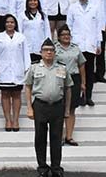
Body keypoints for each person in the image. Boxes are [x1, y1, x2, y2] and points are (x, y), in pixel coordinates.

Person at [25, 38, 72, 177]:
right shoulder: (34, 67)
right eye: (46, 50)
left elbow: (68, 88)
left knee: (56, 137)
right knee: (40, 137)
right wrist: (29, 107)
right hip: (40, 105)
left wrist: (67, 109)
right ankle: (42, 167)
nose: (49, 52)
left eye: (51, 50)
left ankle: (56, 167)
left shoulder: (61, 68)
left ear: (55, 52)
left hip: (57, 106)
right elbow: (27, 87)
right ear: (41, 52)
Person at [0, 15, 31, 132]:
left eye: (12, 22)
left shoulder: (21, 37)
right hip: (3, 70)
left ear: (15, 24)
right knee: (5, 94)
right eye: (7, 22)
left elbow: (25, 54)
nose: (9, 24)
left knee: (17, 95)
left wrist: (27, 69)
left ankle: (16, 119)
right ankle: (8, 120)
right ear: (4, 24)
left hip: (18, 69)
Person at [65, 0, 103, 106]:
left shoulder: (95, 7)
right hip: (77, 44)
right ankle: (80, 95)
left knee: (90, 71)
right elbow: (69, 26)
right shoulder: (72, 8)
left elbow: (98, 27)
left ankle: (89, 96)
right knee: (79, 72)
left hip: (90, 44)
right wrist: (69, 42)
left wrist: (98, 43)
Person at [55, 25, 86, 147]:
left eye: (68, 34)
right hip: (60, 78)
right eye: (63, 35)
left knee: (72, 108)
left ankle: (69, 136)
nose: (66, 37)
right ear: (59, 37)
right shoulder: (55, 49)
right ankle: (60, 136)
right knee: (60, 108)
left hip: (74, 78)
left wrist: (83, 83)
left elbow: (81, 65)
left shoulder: (76, 48)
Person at [18, 0, 51, 64]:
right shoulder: (22, 15)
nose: (33, 2)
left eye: (35, 0)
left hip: (40, 46)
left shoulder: (43, 15)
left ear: (38, 2)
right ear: (27, 2)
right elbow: (19, 31)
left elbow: (47, 30)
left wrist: (48, 44)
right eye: (30, 0)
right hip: (27, 46)